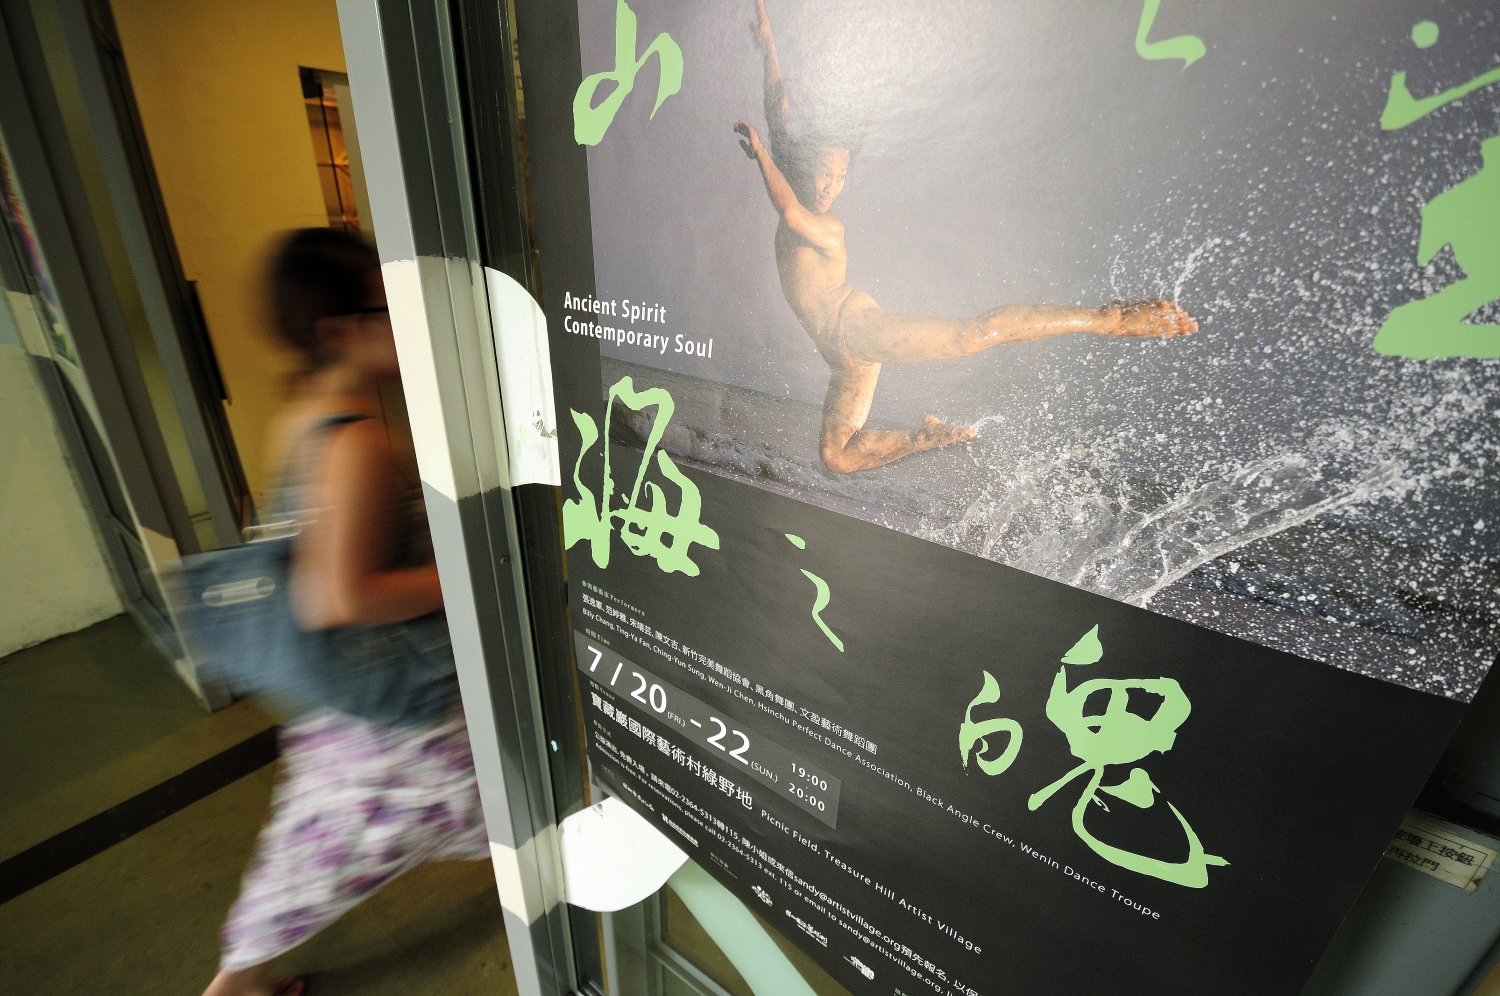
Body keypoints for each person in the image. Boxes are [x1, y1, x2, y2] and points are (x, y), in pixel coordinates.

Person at [735, 0, 1199, 474]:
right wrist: (768, 45)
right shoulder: (792, 175)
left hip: (855, 331)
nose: (830, 187)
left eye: (841, 177)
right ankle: (924, 436)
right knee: (837, 456)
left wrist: (760, 155)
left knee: (970, 336)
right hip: (841, 359)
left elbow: (790, 213)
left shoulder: (827, 226)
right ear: (806, 166)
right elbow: (778, 112)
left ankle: (1109, 319)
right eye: (823, 173)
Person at [202, 229, 488, 996]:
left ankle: (238, 981)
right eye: (386, 307)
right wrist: (464, 581)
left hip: (354, 698)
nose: (406, 321)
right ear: (339, 331)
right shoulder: (356, 440)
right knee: (354, 832)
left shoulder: (307, 410)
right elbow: (340, 595)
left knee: (317, 838)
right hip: (397, 706)